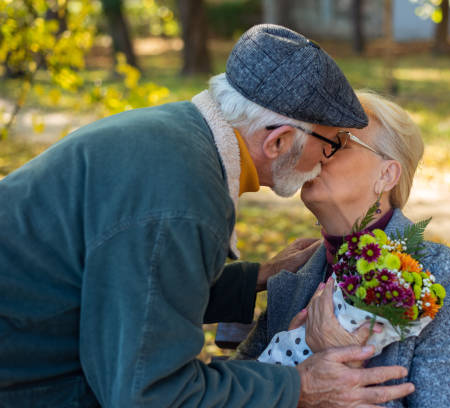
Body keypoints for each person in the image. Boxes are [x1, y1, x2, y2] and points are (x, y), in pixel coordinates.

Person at [0, 26, 415, 407]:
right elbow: (150, 393)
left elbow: (135, 289)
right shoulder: (179, 198)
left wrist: (257, 276)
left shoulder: (175, 138)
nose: (325, 160)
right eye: (330, 144)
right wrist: (300, 386)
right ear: (279, 141)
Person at [235, 91, 450, 407]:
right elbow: (235, 393)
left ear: (386, 175)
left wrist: (342, 362)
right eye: (317, 138)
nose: (314, 152)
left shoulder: (441, 279)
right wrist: (290, 377)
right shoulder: (296, 275)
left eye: (338, 142)